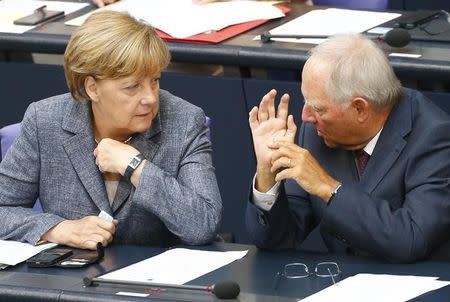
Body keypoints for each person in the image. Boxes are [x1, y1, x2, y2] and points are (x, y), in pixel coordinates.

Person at [0, 11, 222, 250]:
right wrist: (58, 228)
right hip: (70, 279)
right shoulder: (44, 120)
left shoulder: (184, 121)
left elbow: (204, 223)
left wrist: (136, 166)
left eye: (154, 81)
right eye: (132, 87)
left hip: (155, 280)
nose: (149, 98)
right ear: (93, 88)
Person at [246, 33, 450, 263]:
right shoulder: (315, 132)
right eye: (306, 102)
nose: (306, 117)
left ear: (360, 108)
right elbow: (277, 240)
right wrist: (267, 173)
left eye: (318, 109)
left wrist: (328, 188)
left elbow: (411, 239)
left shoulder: (434, 137)